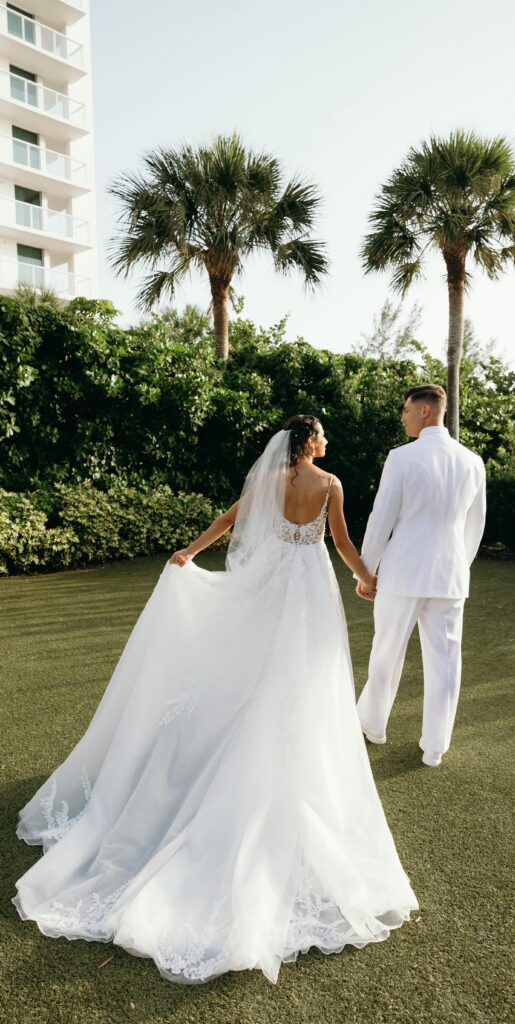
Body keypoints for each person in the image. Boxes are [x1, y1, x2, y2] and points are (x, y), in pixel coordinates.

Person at [12, 415, 418, 986]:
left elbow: (229, 520)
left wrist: (189, 551)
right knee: (301, 677)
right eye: (323, 435)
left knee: (254, 670)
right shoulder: (329, 485)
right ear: (310, 442)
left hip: (271, 582)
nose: (328, 442)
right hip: (308, 587)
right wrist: (366, 577)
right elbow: (343, 543)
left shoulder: (268, 485)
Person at [355, 385, 486, 767]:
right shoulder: (472, 461)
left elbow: (383, 517)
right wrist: (460, 566)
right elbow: (474, 528)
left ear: (426, 411)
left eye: (406, 409)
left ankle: (372, 725)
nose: (404, 416)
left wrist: (366, 570)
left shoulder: (401, 458)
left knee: (386, 652)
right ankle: (435, 746)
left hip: (403, 571)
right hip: (450, 575)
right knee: (446, 662)